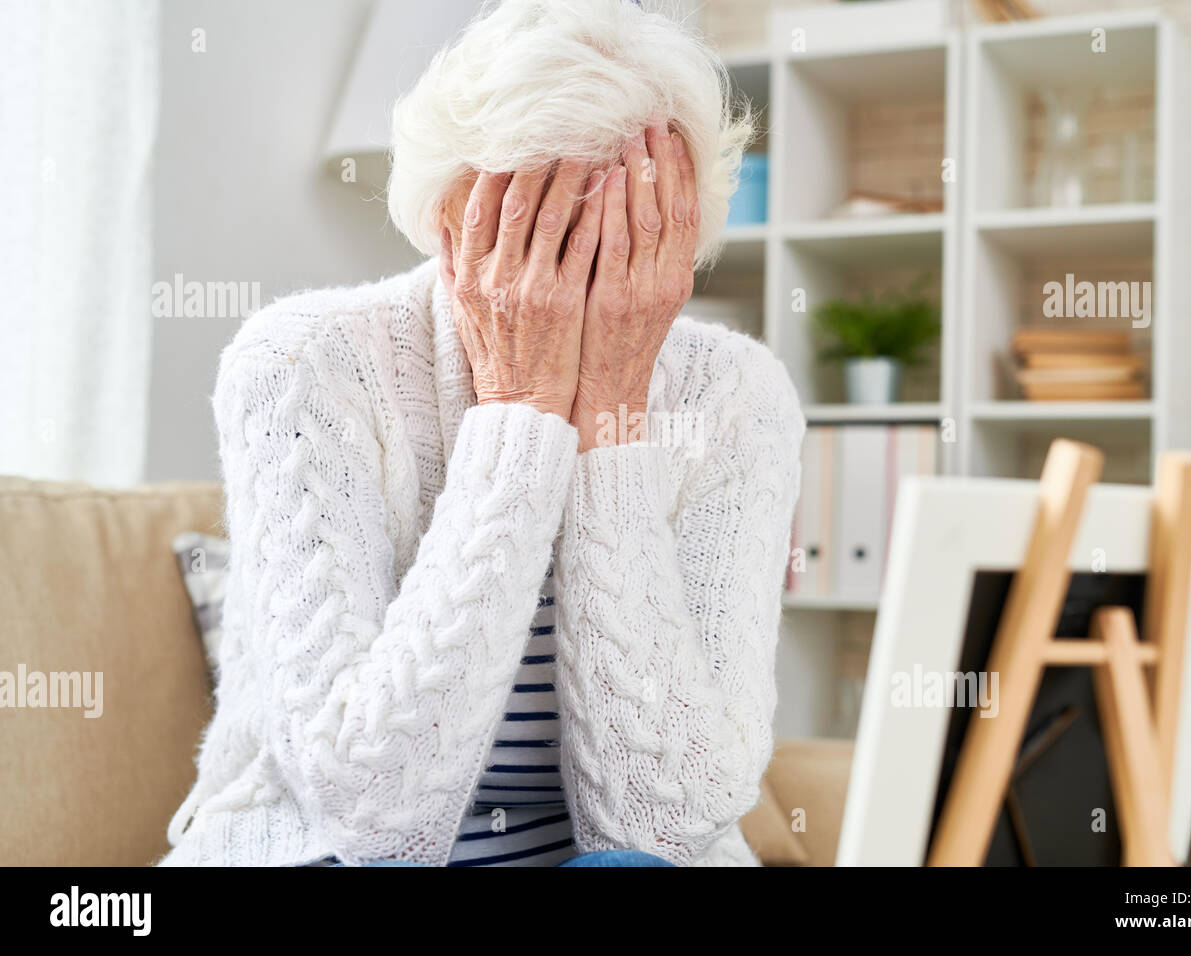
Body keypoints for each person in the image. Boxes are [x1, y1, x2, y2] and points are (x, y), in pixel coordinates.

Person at [160, 0, 803, 868]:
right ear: (450, 218)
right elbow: (372, 817)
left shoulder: (736, 394)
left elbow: (667, 828)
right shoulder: (301, 365)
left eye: (619, 242)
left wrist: (610, 421)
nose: (571, 280)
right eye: (537, 233)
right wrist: (520, 415)